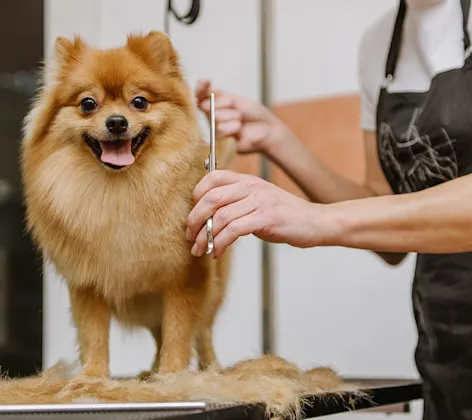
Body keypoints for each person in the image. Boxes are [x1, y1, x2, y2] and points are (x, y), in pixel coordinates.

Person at [185, 0, 472, 419]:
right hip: (445, 346)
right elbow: (386, 229)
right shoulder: (379, 46)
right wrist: (277, 139)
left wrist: (314, 219)